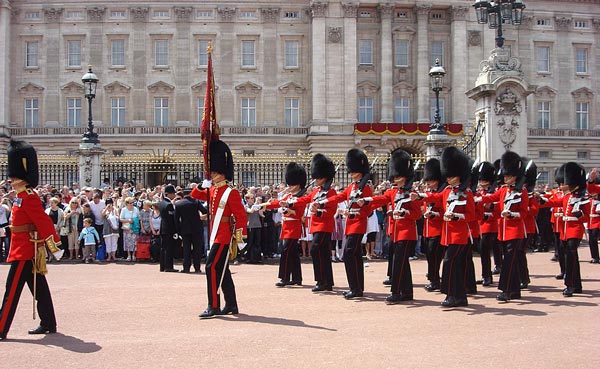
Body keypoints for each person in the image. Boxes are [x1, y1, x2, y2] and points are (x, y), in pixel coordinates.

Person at [0, 139, 63, 340]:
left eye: (13, 176)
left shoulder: (29, 196)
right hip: (22, 248)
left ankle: (1, 327)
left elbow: (43, 222)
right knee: (39, 288)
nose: (10, 179)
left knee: (11, 291)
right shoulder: (20, 196)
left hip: (25, 251)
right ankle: (48, 322)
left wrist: (54, 246)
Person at [191, 140, 248, 318]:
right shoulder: (214, 189)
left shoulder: (232, 192)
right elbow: (195, 195)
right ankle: (231, 304)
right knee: (223, 270)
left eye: (214, 172)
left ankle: (213, 305)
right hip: (215, 233)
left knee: (211, 268)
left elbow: (241, 216)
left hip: (224, 236)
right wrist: (202, 185)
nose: (211, 175)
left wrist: (240, 238)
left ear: (221, 173)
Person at [415, 147, 476, 307]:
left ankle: (451, 294)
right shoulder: (447, 191)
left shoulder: (467, 193)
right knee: (453, 265)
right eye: (447, 175)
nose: (448, 179)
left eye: (451, 176)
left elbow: (471, 215)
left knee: (449, 263)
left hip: (459, 236)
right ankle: (460, 297)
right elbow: (434, 197)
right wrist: (420, 196)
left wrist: (457, 216)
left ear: (459, 176)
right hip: (448, 236)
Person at [363, 150, 421, 303]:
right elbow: (380, 199)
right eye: (395, 176)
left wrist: (405, 213)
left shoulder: (412, 193)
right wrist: (367, 200)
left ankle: (396, 292)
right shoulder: (393, 192)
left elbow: (417, 214)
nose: (396, 178)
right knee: (402, 263)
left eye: (398, 175)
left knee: (397, 262)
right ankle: (407, 292)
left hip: (407, 232)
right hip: (395, 232)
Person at [314, 148, 372, 299]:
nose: (352, 173)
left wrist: (354, 211)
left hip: (358, 224)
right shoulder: (352, 187)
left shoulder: (365, 188)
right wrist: (323, 202)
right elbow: (338, 198)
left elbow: (368, 210)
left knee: (348, 254)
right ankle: (357, 288)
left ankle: (355, 287)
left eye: (354, 171)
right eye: (351, 171)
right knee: (355, 256)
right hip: (350, 225)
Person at [478, 151, 528, 302]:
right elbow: (491, 197)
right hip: (504, 232)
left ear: (515, 176)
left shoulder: (522, 192)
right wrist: (477, 199)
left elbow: (524, 212)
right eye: (505, 176)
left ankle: (506, 290)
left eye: (509, 176)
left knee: (508, 262)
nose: (506, 178)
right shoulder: (503, 190)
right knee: (509, 260)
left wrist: (512, 215)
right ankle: (515, 291)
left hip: (515, 231)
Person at [287, 154, 337, 292]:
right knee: (323, 253)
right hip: (315, 225)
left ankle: (320, 280)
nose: (316, 180)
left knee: (315, 249)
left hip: (325, 225)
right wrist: (291, 202)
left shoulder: (331, 192)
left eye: (319, 177)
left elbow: (332, 210)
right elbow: (306, 199)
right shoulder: (316, 191)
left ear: (325, 177)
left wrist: (319, 210)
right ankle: (327, 282)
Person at [260, 162, 307, 287]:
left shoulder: (300, 198)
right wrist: (263, 205)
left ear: (299, 184)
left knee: (285, 251)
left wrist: (290, 210)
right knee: (292, 253)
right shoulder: (288, 196)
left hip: (294, 227)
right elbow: (277, 203)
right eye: (289, 183)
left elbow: (301, 215)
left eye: (293, 184)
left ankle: (285, 277)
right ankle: (297, 278)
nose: (290, 186)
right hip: (286, 227)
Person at [421, 158, 446, 292]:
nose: (429, 183)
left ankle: (435, 280)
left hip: (438, 230)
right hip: (428, 230)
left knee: (435, 256)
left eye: (431, 180)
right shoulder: (429, 193)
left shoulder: (442, 193)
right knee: (430, 255)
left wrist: (435, 215)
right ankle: (434, 277)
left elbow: (444, 212)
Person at [174, 189, 207, 273]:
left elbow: (176, 219)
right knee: (197, 249)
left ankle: (186, 267)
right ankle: (197, 267)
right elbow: (205, 211)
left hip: (185, 229)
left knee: (186, 249)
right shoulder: (196, 202)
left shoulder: (178, 204)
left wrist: (178, 230)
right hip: (197, 228)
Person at [157, 186, 178, 272]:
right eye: (173, 193)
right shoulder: (169, 205)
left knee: (163, 248)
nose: (174, 195)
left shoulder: (161, 203)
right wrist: (175, 230)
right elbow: (171, 219)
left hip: (163, 228)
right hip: (169, 229)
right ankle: (169, 267)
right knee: (169, 248)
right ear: (169, 194)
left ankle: (163, 266)